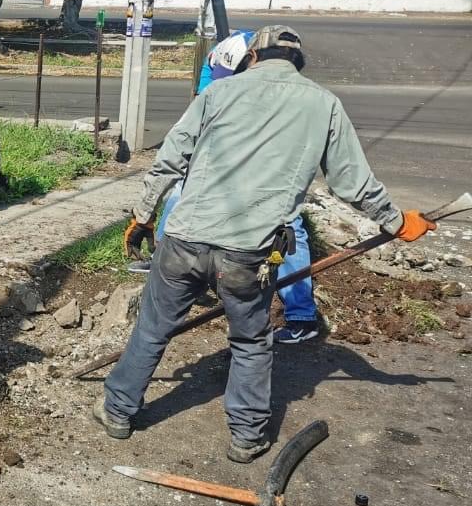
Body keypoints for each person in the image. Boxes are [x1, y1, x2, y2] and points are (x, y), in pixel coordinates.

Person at [94, 25, 436, 463]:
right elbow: (352, 181)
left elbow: (169, 159)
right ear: (298, 62)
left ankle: (119, 413)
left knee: (153, 328)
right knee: (251, 342)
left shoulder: (217, 95)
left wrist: (143, 216)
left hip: (183, 241)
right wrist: (395, 220)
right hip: (248, 255)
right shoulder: (323, 104)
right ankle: (246, 438)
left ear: (253, 57)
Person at [134, 30, 321, 344]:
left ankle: (301, 314)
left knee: (288, 226)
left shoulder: (277, 74)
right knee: (183, 192)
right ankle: (169, 266)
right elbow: (204, 107)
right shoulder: (223, 58)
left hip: (272, 164)